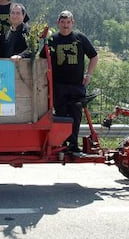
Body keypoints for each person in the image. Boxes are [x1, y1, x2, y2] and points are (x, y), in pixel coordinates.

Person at [42, 10, 98, 154]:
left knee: (75, 115)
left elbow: (94, 56)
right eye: (63, 22)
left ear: (73, 23)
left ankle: (73, 145)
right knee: (61, 115)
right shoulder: (52, 40)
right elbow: (42, 59)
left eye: (68, 22)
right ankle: (61, 145)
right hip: (58, 86)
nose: (65, 25)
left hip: (76, 86)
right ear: (58, 23)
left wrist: (89, 75)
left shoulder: (80, 38)